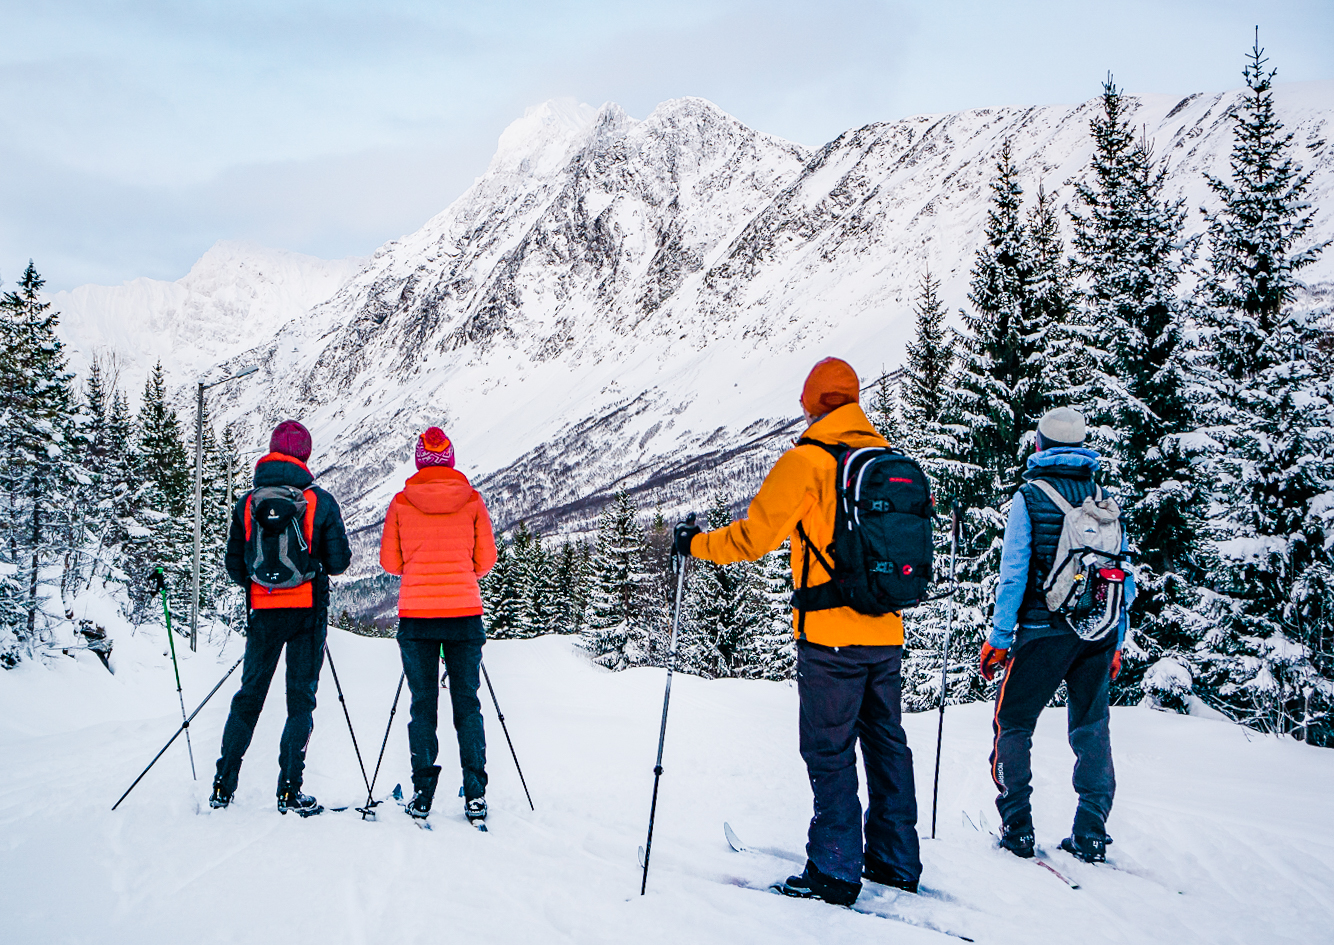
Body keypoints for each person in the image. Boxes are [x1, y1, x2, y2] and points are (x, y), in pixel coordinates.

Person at [675, 357, 921, 906]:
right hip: (886, 633)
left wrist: (695, 544)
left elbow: (751, 539)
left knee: (829, 750)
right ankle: (896, 860)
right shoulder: (887, 459)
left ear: (811, 402)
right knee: (886, 744)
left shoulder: (808, 461)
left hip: (830, 637)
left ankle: (835, 871)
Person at [980, 406, 1134, 863]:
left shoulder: (1029, 497)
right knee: (1091, 728)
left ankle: (1018, 827)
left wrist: (1000, 637)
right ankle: (1090, 831)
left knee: (1014, 724)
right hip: (1097, 633)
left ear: (1039, 446)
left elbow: (1014, 575)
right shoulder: (1102, 497)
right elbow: (1120, 575)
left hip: (1041, 632)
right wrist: (1117, 638)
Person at [211, 420, 351, 815]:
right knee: (300, 702)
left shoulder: (248, 503)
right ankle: (289, 790)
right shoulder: (318, 501)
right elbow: (339, 563)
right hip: (307, 613)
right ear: (305, 455)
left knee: (249, 698)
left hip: (263, 612)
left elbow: (235, 567)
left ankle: (224, 784)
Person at [379, 427, 498, 826]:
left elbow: (390, 564)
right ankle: (476, 795)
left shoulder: (401, 502)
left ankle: (422, 793)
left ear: (419, 461)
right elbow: (485, 562)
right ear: (449, 460)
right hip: (464, 613)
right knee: (467, 704)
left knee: (422, 706)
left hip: (417, 618)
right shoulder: (473, 501)